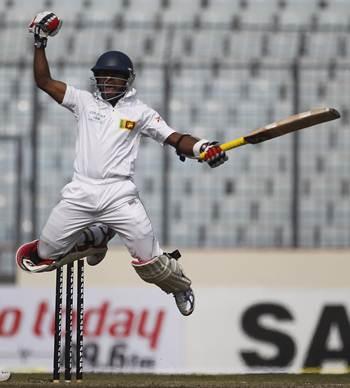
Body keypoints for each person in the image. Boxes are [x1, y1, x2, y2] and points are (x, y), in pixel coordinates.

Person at [16, 11, 228, 316]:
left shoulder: (139, 112)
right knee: (42, 257)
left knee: (151, 262)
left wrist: (201, 147)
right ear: (96, 79)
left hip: (119, 195)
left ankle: (180, 286)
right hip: (81, 191)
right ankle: (94, 238)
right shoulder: (84, 101)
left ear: (127, 81)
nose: (108, 83)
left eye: (115, 79)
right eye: (103, 78)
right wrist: (40, 42)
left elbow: (173, 138)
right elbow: (44, 81)